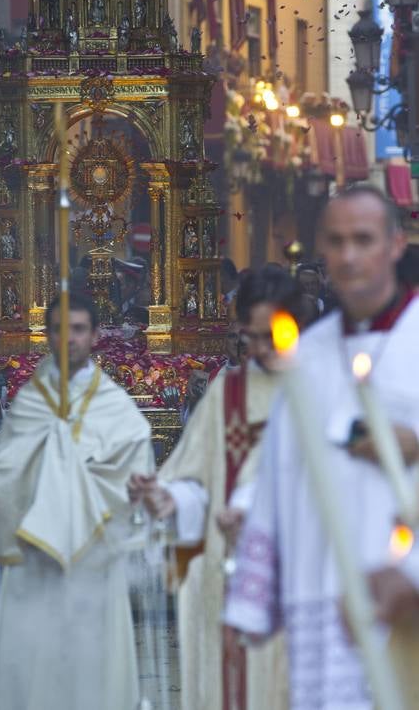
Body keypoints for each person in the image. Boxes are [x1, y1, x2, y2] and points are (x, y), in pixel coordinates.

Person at [225, 185, 419, 710]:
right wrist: (251, 586)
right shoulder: (307, 356)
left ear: (396, 244)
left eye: (364, 239)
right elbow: (279, 472)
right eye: (336, 241)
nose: (350, 255)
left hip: (405, 597)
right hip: (323, 591)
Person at [129, 266, 303, 710]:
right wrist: (167, 498)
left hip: (301, 570)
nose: (261, 349)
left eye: (271, 335)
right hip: (227, 566)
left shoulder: (321, 389)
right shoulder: (229, 393)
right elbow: (194, 478)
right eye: (251, 337)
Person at [0, 292, 154, 710]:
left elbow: (135, 463)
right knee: (35, 669)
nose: (68, 339)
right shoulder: (32, 402)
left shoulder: (114, 405)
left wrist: (70, 470)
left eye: (78, 329)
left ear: (95, 335)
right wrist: (51, 470)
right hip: (36, 556)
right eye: (59, 329)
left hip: (91, 558)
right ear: (47, 334)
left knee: (90, 672)